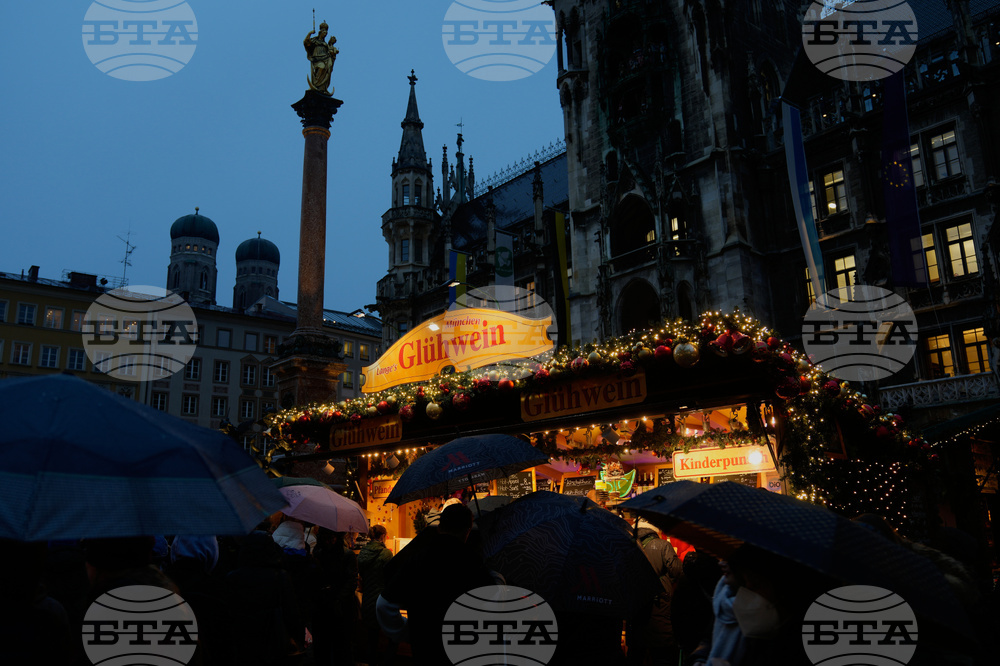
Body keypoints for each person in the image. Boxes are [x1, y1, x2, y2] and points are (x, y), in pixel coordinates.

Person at [379, 503, 494, 665]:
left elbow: (384, 604)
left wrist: (406, 631)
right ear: (467, 531)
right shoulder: (474, 563)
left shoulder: (417, 558)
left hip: (425, 652)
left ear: (439, 527)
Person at [312, 529, 360, 666]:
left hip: (340, 608)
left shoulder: (347, 555)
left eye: (331, 537)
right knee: (324, 648)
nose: (329, 541)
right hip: (324, 607)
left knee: (341, 648)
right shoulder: (318, 553)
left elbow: (351, 580)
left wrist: (338, 599)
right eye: (326, 537)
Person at [358, 524, 397, 665]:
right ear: (382, 536)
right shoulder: (386, 554)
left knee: (372, 636)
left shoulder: (362, 552)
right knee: (393, 635)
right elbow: (391, 578)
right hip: (383, 600)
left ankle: (372, 661)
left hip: (367, 599)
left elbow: (361, 577)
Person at [304, 21, 338, 95]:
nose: (325, 34)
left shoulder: (325, 44)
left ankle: (322, 88)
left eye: (326, 33)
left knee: (327, 69)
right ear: (320, 32)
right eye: (324, 32)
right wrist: (310, 33)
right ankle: (316, 84)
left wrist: (332, 53)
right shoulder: (314, 41)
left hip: (325, 58)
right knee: (321, 67)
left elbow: (330, 51)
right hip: (317, 58)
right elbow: (306, 42)